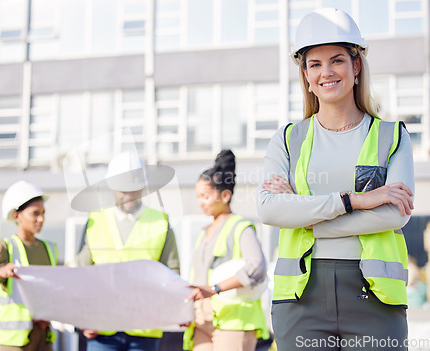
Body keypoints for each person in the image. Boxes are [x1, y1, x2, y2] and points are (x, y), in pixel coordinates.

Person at [257, 7, 414, 351]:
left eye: (337, 60)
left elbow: (395, 214)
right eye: (315, 64)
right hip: (300, 300)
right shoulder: (287, 139)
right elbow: (269, 209)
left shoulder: (392, 136)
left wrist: (306, 217)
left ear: (356, 66)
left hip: (374, 299)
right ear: (306, 75)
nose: (326, 72)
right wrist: (353, 201)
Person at [71, 151, 180, 351]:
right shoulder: (95, 221)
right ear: (112, 188)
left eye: (134, 189)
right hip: (102, 331)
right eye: (122, 190)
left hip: (144, 330)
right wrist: (83, 318)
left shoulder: (160, 222)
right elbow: (80, 275)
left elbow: (173, 275)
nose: (128, 195)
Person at [184, 149, 269, 351]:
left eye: (205, 196)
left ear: (225, 195)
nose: (200, 202)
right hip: (202, 321)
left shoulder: (241, 227)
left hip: (234, 322)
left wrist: (215, 289)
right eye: (198, 196)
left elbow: (256, 268)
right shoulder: (203, 233)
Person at [0, 180, 58, 351]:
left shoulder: (50, 249)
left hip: (43, 337)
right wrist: (1, 271)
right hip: (13, 342)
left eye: (43, 213)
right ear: (17, 216)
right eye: (35, 213)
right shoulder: (6, 247)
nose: (41, 219)